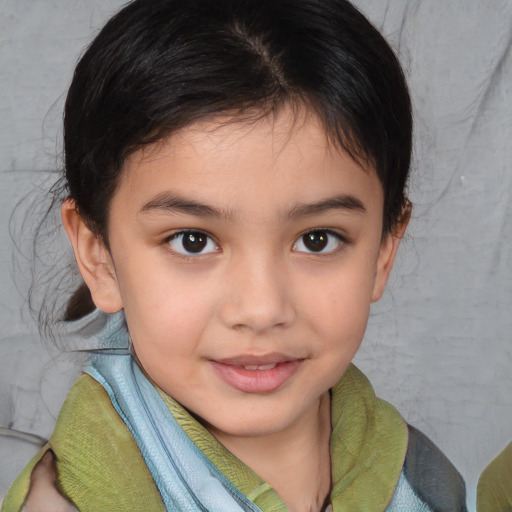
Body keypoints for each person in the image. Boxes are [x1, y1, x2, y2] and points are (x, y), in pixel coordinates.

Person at [2, 0, 467, 510]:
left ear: (383, 250)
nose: (262, 308)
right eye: (192, 241)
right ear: (99, 257)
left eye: (317, 239)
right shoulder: (75, 499)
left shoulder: (424, 481)